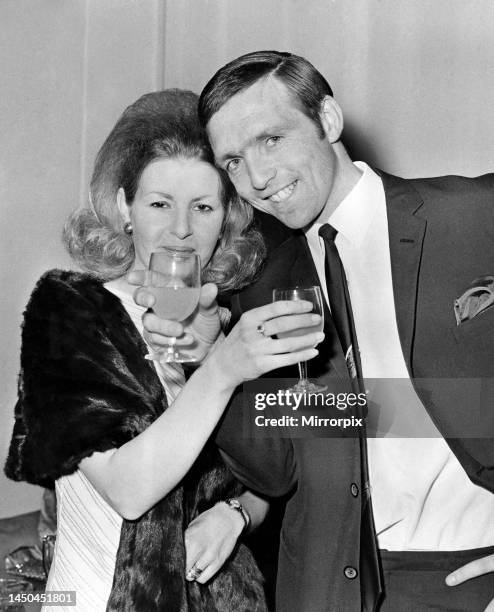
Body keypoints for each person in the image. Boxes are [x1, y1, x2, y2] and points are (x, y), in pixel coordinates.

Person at [134, 53, 494, 611]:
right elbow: (275, 472)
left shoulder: (473, 215)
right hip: (323, 591)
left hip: (465, 578)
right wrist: (215, 362)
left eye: (271, 140)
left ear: (327, 120)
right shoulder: (261, 285)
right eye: (232, 161)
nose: (256, 178)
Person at [3, 88, 324, 612]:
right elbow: (129, 490)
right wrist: (220, 370)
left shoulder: (234, 321)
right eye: (159, 204)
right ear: (125, 208)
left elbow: (284, 467)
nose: (181, 230)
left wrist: (238, 513)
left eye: (202, 206)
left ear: (227, 218)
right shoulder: (71, 308)